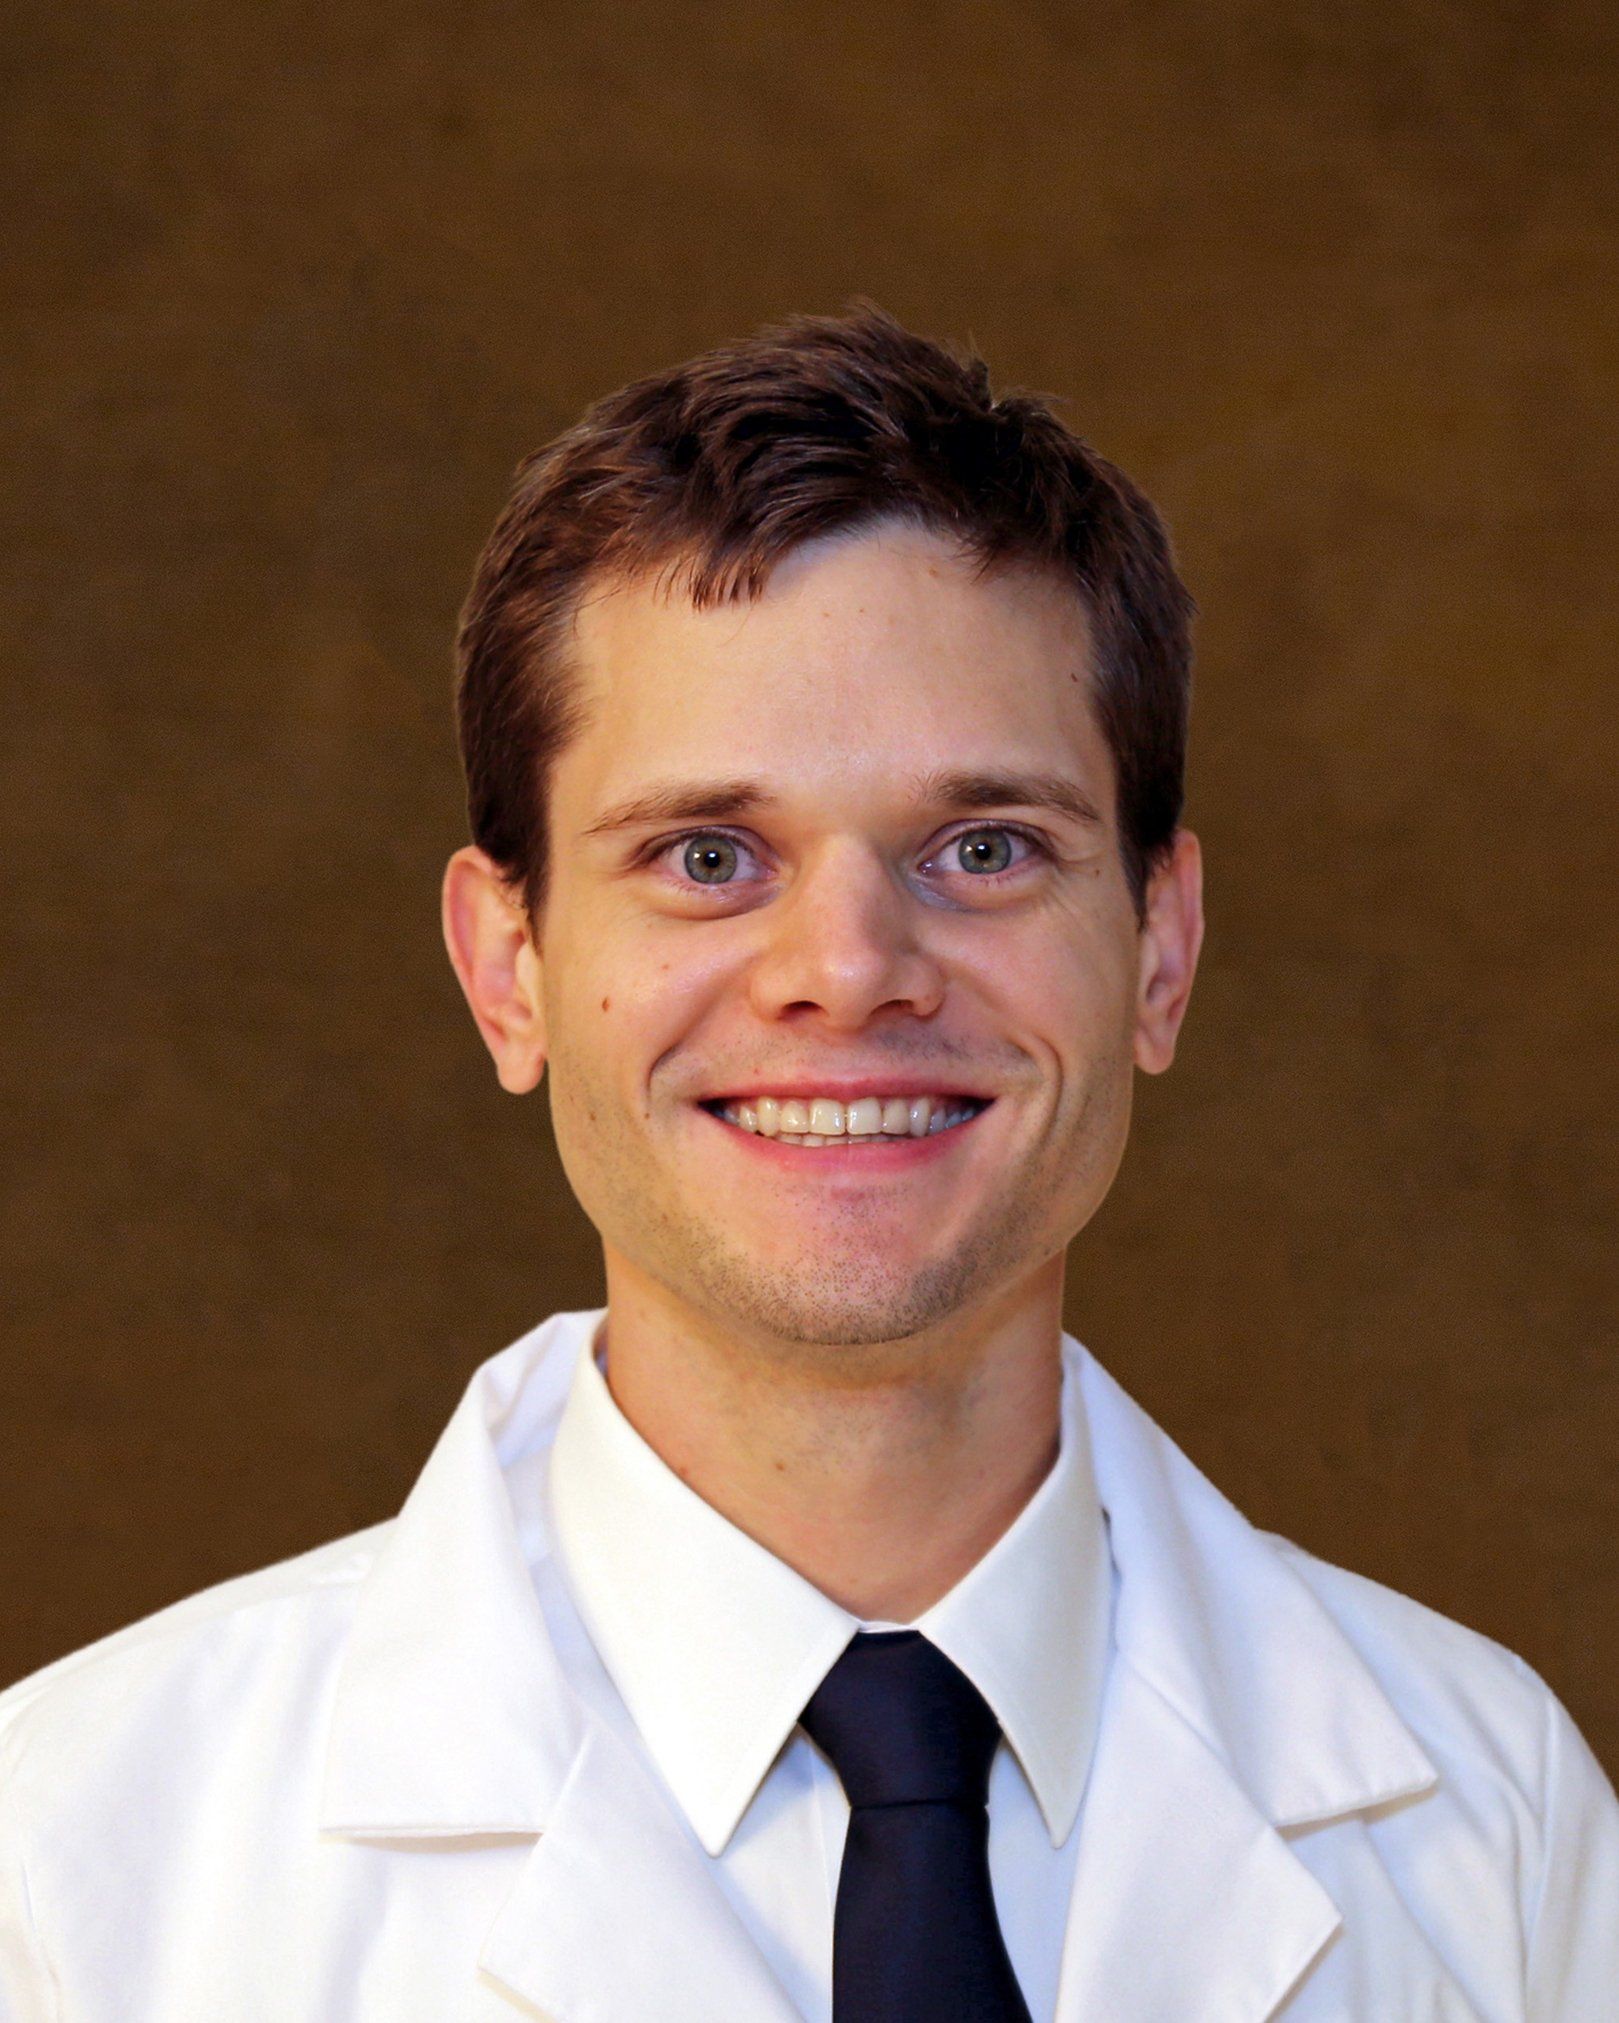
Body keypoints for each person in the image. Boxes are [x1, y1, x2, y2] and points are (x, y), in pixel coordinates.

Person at [1, 308, 1614, 2023]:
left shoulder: (1498, 1837)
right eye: (708, 854)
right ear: (508, 967)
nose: (849, 967)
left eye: (983, 848)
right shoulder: (71, 1860)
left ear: (1160, 948)